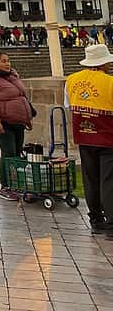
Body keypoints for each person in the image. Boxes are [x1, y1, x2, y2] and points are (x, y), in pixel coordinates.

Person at [65, 44, 113, 235]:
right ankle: (111, 224)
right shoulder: (110, 82)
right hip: (108, 136)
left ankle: (96, 218)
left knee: (90, 178)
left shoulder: (71, 80)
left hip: (84, 135)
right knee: (109, 180)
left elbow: (68, 105)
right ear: (104, 63)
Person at [0, 52, 33, 201]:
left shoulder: (12, 77)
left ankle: (16, 184)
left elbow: (22, 97)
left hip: (18, 122)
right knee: (8, 153)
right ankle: (6, 186)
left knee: (17, 152)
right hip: (4, 122)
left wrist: (27, 117)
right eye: (3, 61)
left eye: (8, 60)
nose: (7, 63)